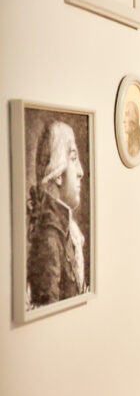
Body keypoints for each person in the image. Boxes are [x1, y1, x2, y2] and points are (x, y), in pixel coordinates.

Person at [26, 121, 86, 304]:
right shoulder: (49, 239)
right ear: (58, 175)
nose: (80, 172)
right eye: (74, 159)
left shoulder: (68, 232)